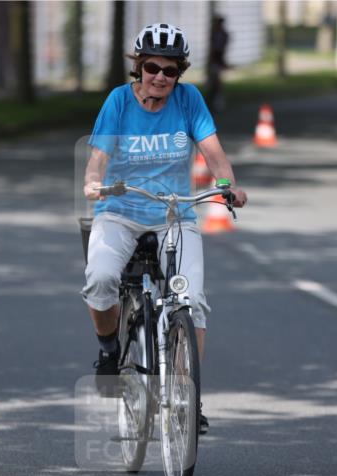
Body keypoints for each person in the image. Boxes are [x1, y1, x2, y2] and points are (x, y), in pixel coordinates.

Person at [81, 23, 248, 434]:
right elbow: (98, 157)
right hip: (120, 210)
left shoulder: (189, 101)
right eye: (152, 67)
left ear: (180, 73)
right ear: (138, 67)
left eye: (170, 70)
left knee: (192, 302)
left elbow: (213, 153)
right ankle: (108, 350)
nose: (160, 77)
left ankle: (188, 396)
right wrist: (92, 181)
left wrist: (226, 186)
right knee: (101, 277)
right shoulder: (119, 101)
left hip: (176, 214)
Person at [207, 15, 229, 112]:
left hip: (216, 60)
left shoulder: (219, 34)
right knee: (215, 82)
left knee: (216, 82)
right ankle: (215, 102)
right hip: (217, 59)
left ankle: (217, 103)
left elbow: (216, 49)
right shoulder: (221, 34)